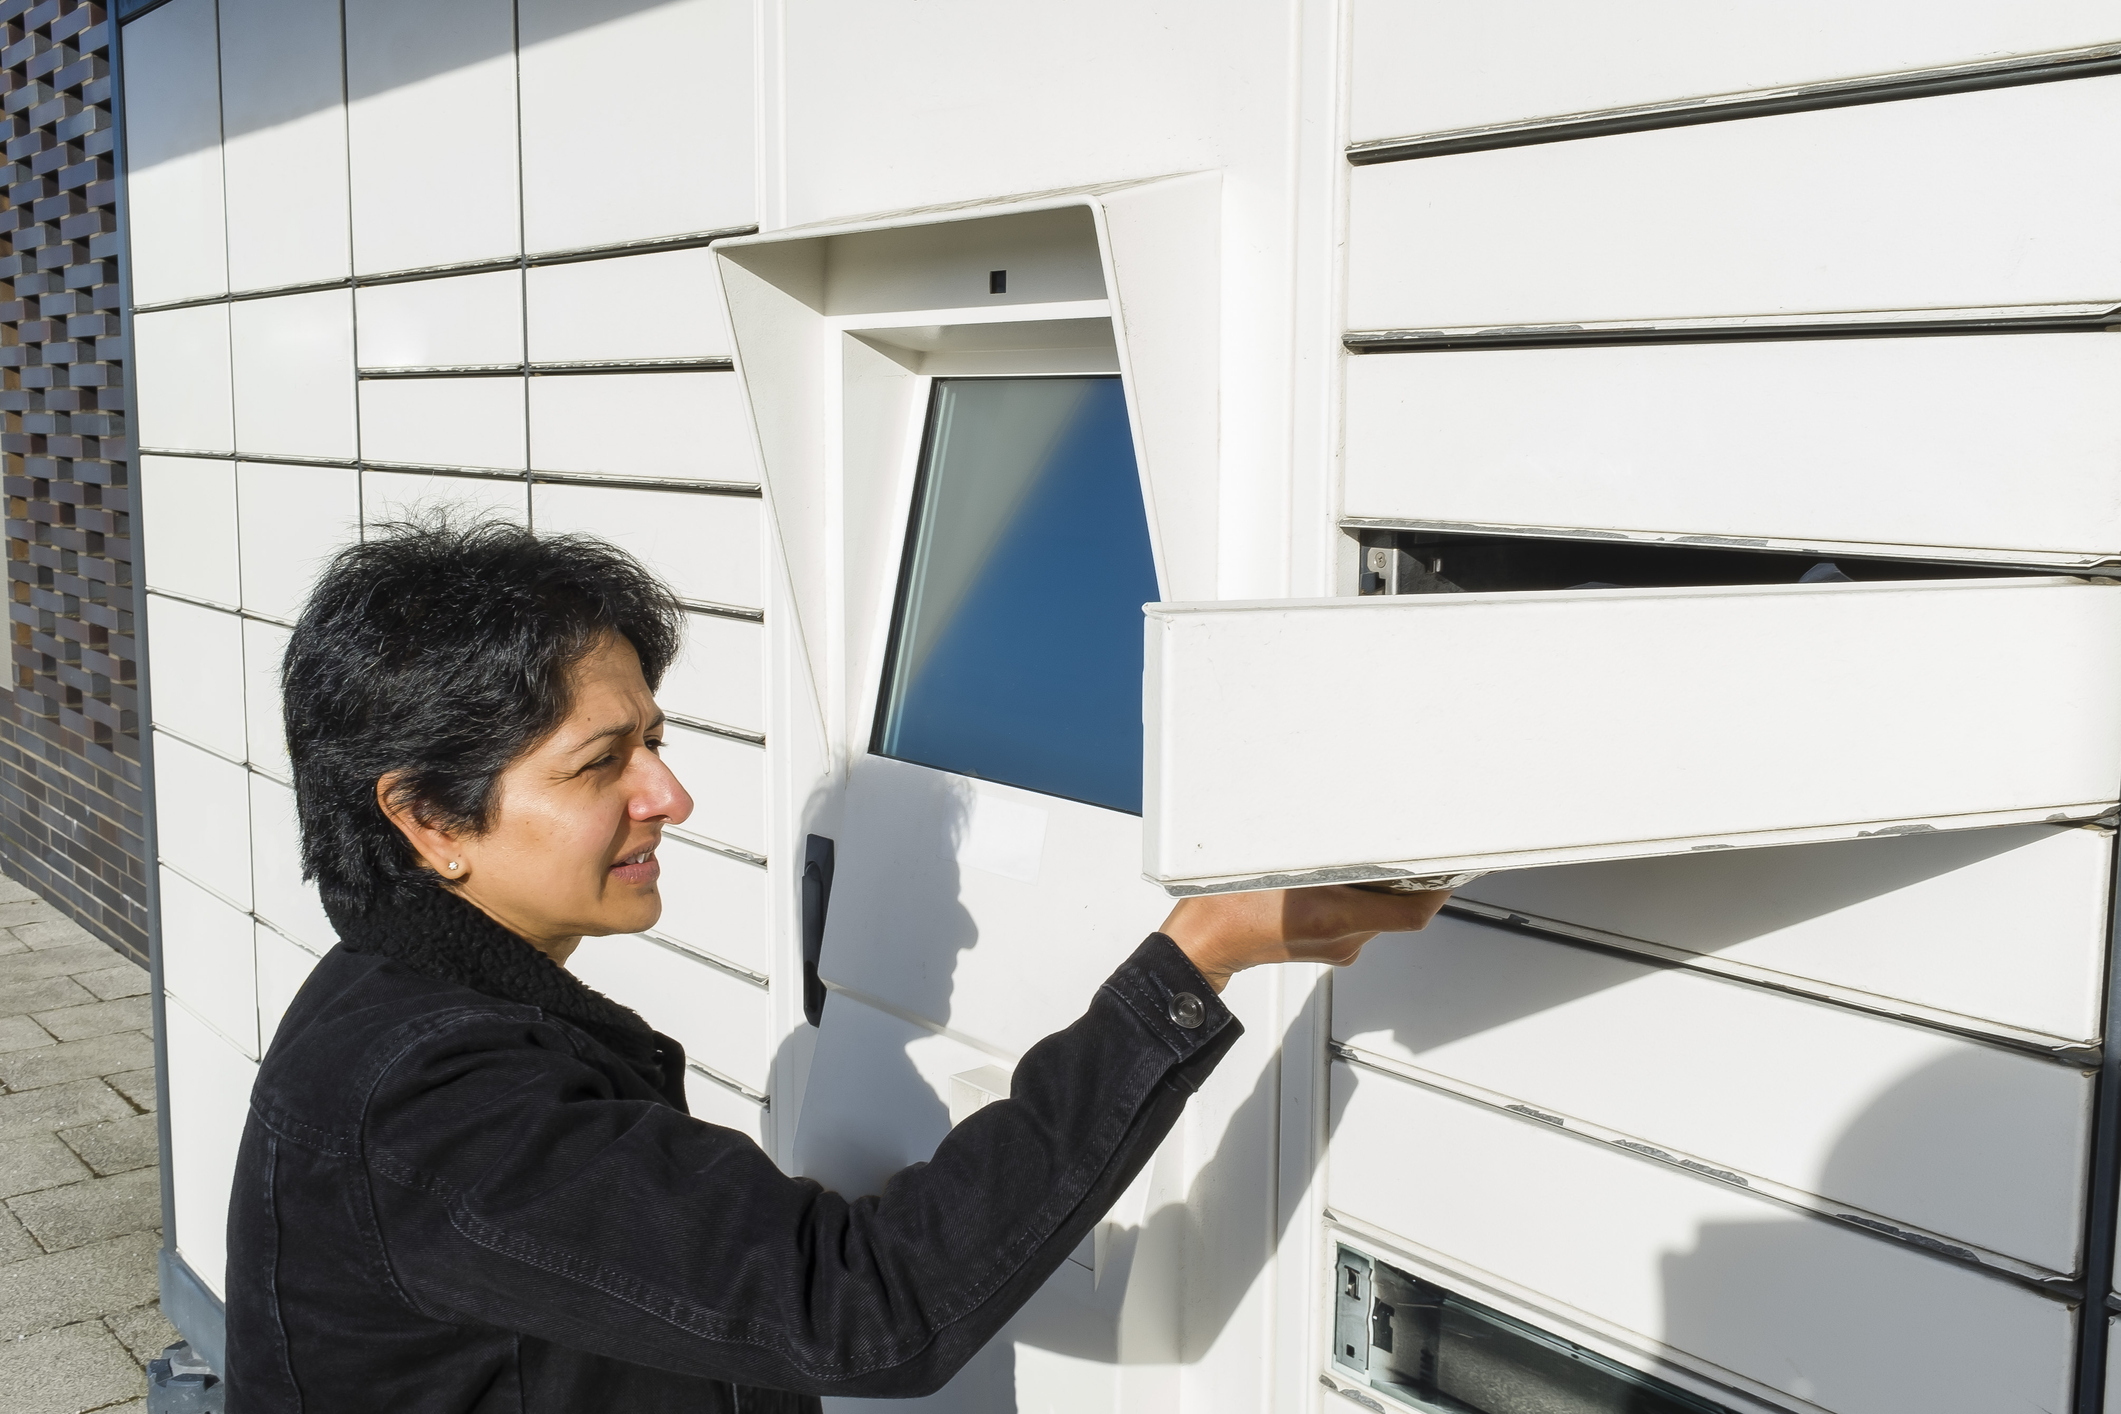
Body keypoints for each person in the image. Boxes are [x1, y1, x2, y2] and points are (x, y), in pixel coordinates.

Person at [223, 520, 1447, 1413]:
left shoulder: (415, 1011)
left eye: (656, 739)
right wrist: (1200, 954)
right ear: (428, 820)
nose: (671, 794)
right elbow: (857, 1308)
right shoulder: (437, 1101)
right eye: (603, 764)